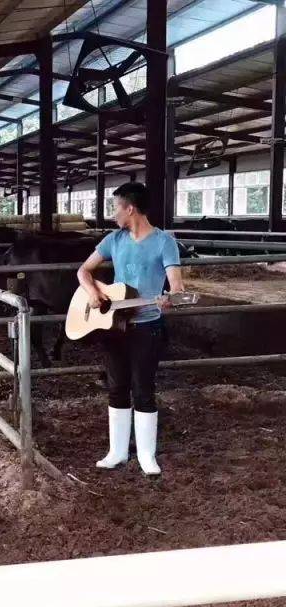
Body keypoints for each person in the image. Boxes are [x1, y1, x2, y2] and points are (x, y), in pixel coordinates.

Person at [77, 182, 185, 475]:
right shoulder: (113, 240)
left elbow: (176, 286)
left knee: (143, 389)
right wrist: (93, 292)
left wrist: (170, 299)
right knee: (117, 387)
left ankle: (147, 456)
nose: (113, 214)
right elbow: (83, 270)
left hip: (147, 326)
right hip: (115, 325)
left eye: (116, 208)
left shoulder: (164, 242)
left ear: (130, 209)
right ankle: (117, 452)